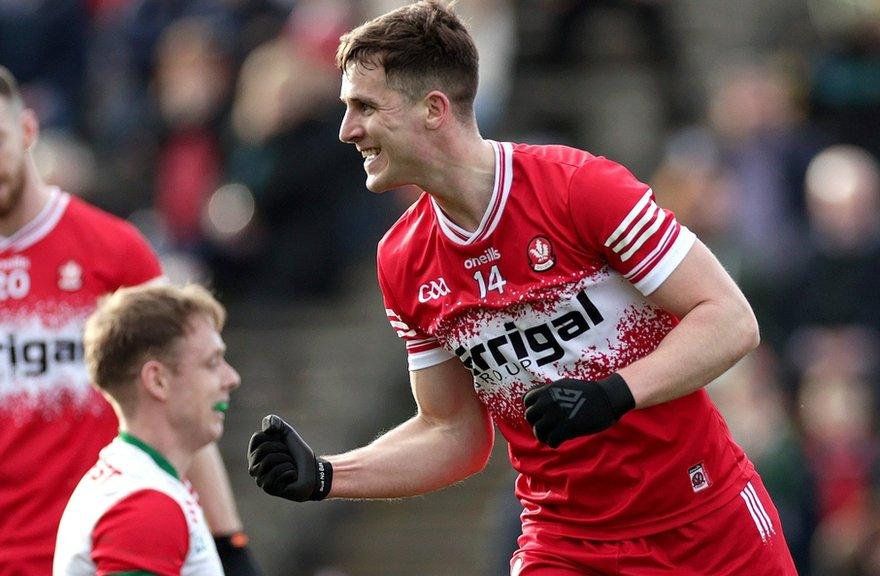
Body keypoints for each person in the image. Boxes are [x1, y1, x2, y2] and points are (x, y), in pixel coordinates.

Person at [247, 2, 799, 575]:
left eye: (364, 107)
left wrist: (613, 393)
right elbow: (454, 432)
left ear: (434, 109)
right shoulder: (401, 260)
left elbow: (731, 319)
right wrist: (328, 474)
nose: (346, 129)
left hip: (703, 522)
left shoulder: (578, 188)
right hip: (566, 545)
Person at [0, 61, 259, 576]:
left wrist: (227, 537)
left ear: (27, 130)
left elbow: (181, 396)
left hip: (90, 545)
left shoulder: (115, 249)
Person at [54, 283, 239, 575]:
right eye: (212, 362)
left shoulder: (146, 484)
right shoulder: (146, 505)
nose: (232, 378)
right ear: (157, 381)